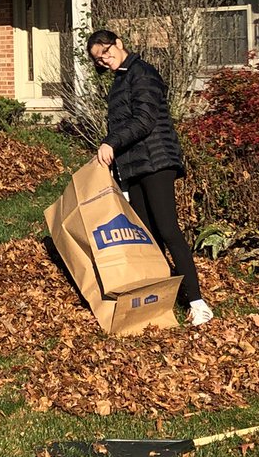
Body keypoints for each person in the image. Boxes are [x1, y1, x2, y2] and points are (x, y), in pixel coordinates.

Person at [86, 28, 213, 326]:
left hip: (157, 161)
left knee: (168, 230)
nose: (104, 60)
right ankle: (162, 299)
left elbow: (144, 120)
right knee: (150, 237)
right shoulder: (121, 78)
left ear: (119, 43)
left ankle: (198, 302)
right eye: (98, 59)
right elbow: (121, 125)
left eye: (106, 52)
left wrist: (111, 143)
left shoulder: (142, 73)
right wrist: (117, 164)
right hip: (136, 166)